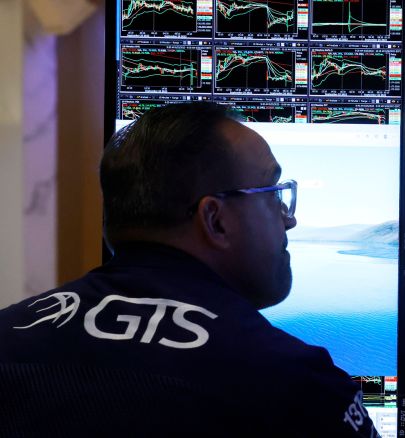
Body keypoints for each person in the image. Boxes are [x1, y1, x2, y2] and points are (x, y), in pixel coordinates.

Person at [0, 102, 380, 437]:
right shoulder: (292, 383)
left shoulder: (8, 335)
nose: (288, 219)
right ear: (215, 220)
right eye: (272, 193)